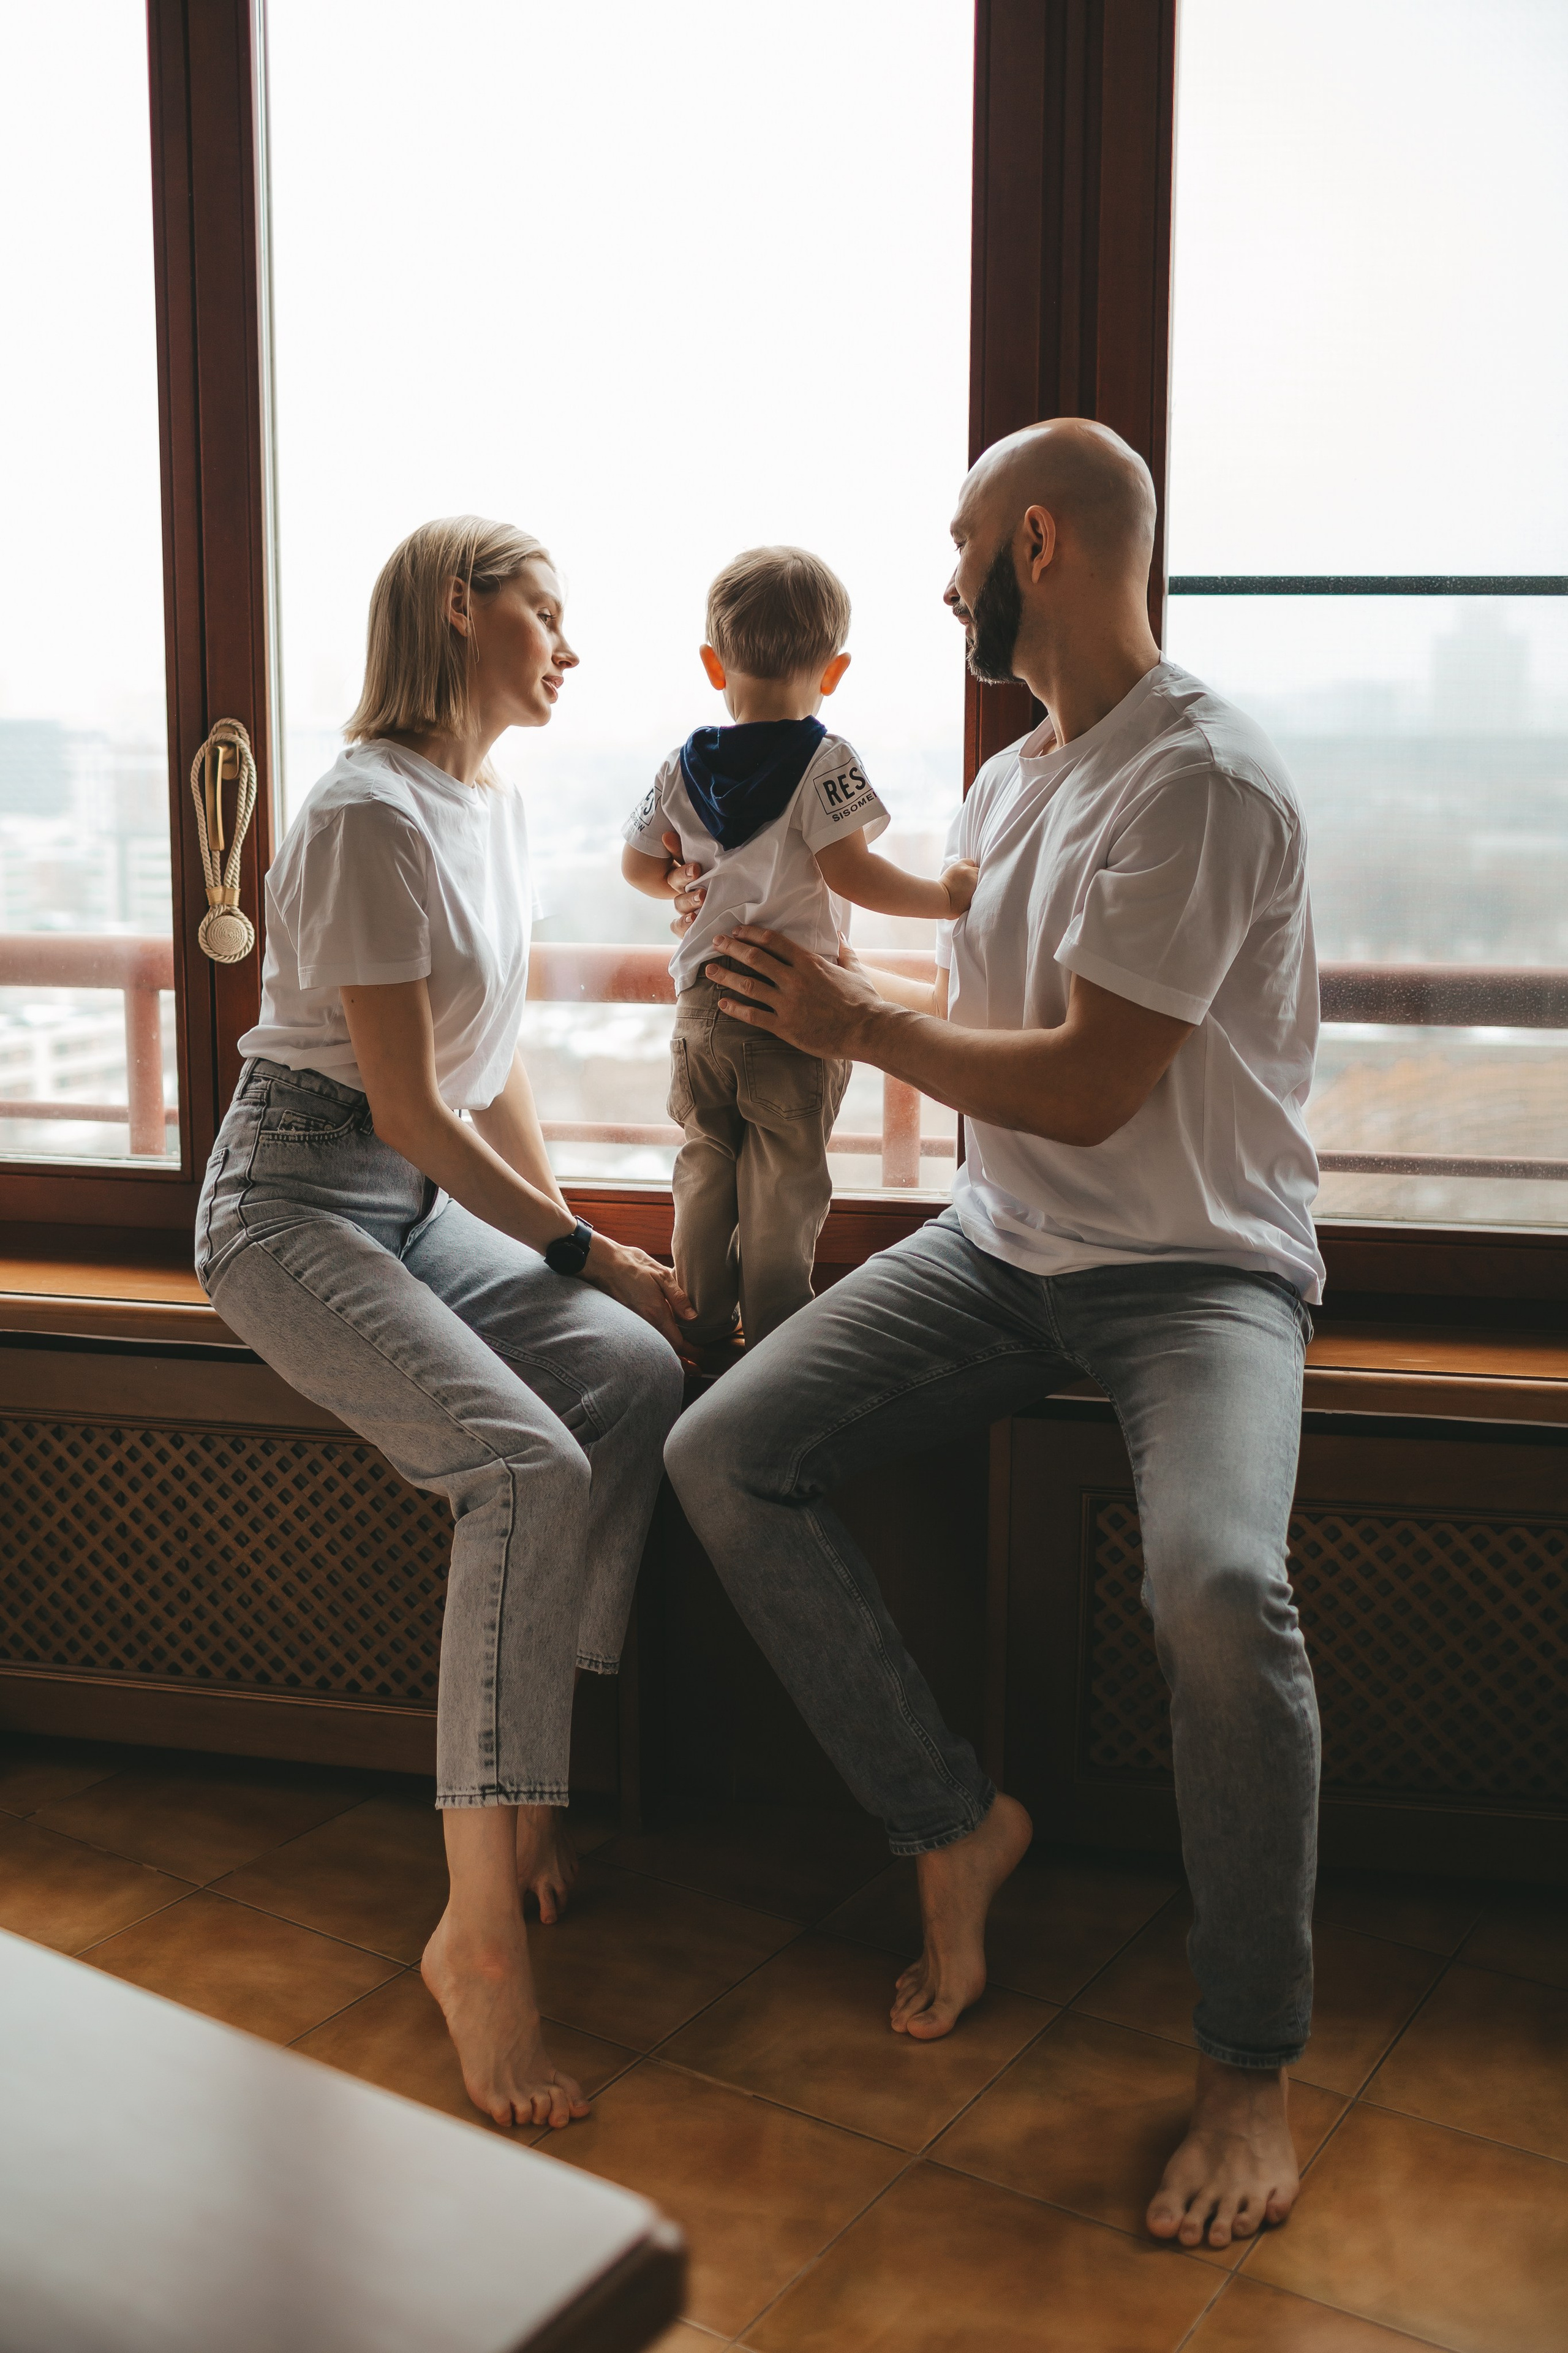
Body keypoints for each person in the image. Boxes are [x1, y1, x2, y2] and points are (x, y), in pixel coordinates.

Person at [664, 420, 1324, 2254]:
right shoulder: (1014, 780)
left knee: (1219, 1586)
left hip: (1194, 1272)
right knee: (722, 1452)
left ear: (1035, 543)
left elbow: (1097, 1082)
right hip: (1000, 1246)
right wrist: (779, 973)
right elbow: (991, 1025)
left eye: (960, 545)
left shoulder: (1199, 780)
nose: (945, 579)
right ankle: (949, 1823)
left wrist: (854, 1023)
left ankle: (1249, 2061)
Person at [196, 518, 692, 2131]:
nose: (568, 644)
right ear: (460, 609)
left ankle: (525, 1783)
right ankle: (475, 1935)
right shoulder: (363, 812)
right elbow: (407, 1102)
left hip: (416, 1202)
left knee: (634, 1373)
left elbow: (494, 1064)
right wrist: (588, 1247)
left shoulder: (489, 802)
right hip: (292, 1203)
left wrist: (576, 1260)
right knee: (523, 1467)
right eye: (546, 610)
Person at [622, 545, 976, 1351]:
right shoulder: (826, 760)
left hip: (703, 1004)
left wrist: (677, 880)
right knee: (784, 1183)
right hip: (789, 1006)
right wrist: (946, 896)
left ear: (714, 664)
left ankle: (702, 1326)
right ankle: (776, 1339)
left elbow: (636, 866)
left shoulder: (680, 764)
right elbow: (853, 873)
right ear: (835, 671)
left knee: (706, 1160)